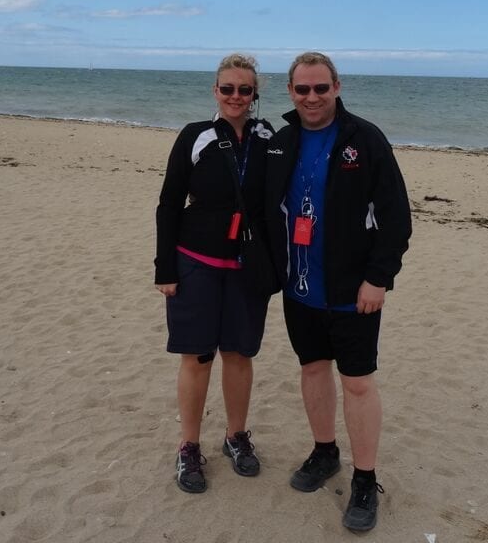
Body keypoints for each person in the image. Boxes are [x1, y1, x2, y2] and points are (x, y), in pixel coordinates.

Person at [265, 51, 412, 532]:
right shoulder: (282, 141)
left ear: (337, 87)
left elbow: (396, 218)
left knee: (358, 381)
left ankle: (366, 479)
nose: (312, 97)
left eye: (320, 88)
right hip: (300, 286)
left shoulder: (364, 139)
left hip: (354, 290)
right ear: (290, 92)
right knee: (312, 368)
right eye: (302, 89)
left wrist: (379, 277)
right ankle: (325, 452)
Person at [154, 53, 276, 494]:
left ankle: (236, 437)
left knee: (240, 354)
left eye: (245, 90)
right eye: (228, 88)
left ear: (255, 94)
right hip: (195, 262)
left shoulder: (269, 138)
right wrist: (164, 268)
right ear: (215, 91)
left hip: (248, 266)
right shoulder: (195, 136)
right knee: (198, 356)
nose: (236, 97)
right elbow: (169, 203)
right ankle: (188, 446)